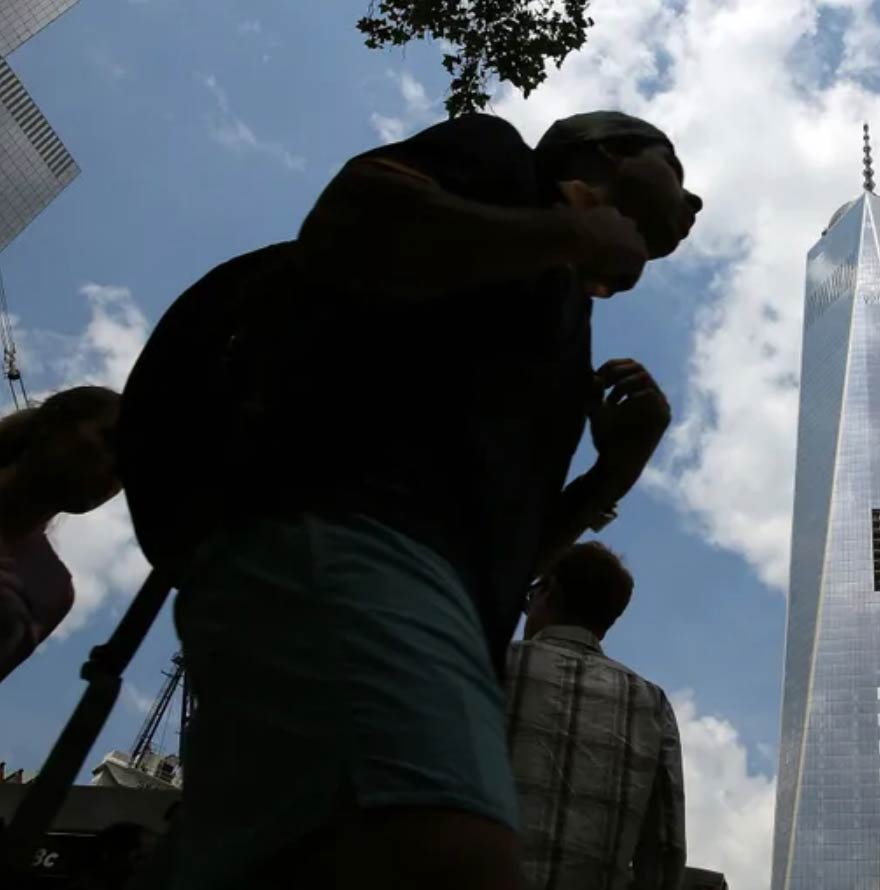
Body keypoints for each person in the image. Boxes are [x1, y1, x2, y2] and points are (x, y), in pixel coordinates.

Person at [153, 110, 700, 890]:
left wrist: (613, 474)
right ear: (610, 152)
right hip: (343, 533)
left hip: (417, 592)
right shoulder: (501, 161)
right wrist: (569, 234)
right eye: (674, 166)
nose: (695, 201)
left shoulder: (556, 319)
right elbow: (350, 220)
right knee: (447, 857)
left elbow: (508, 563)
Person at [507, 542, 685, 890]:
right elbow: (665, 848)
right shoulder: (651, 702)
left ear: (550, 590)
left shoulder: (492, 664)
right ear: (605, 624)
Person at [0, 385, 121, 683]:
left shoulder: (52, 588)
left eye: (131, 466)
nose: (115, 468)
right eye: (109, 441)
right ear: (52, 425)